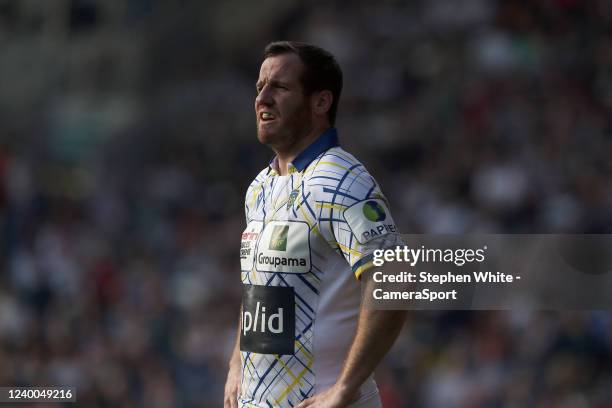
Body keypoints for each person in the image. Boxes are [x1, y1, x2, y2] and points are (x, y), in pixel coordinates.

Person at [224, 41, 405, 408]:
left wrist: (343, 389)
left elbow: (395, 277)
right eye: (260, 87)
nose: (263, 98)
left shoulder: (343, 180)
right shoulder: (260, 187)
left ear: (321, 102)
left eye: (280, 87)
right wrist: (236, 364)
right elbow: (261, 289)